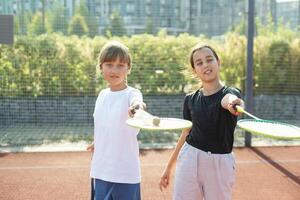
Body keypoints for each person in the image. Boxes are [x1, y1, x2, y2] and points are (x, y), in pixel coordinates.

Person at [159, 44, 244, 200]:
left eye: (209, 59)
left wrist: (235, 104)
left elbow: (230, 101)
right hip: (189, 157)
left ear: (218, 62)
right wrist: (168, 167)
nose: (205, 65)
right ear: (194, 71)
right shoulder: (190, 99)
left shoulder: (230, 93)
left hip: (219, 163)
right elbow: (185, 133)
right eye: (199, 63)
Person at [87, 41, 146, 200]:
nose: (114, 70)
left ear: (128, 68)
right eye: (109, 64)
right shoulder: (101, 95)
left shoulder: (131, 94)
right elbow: (104, 125)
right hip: (101, 171)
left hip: (125, 174)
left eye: (120, 65)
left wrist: (137, 108)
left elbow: (137, 104)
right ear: (101, 67)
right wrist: (98, 142)